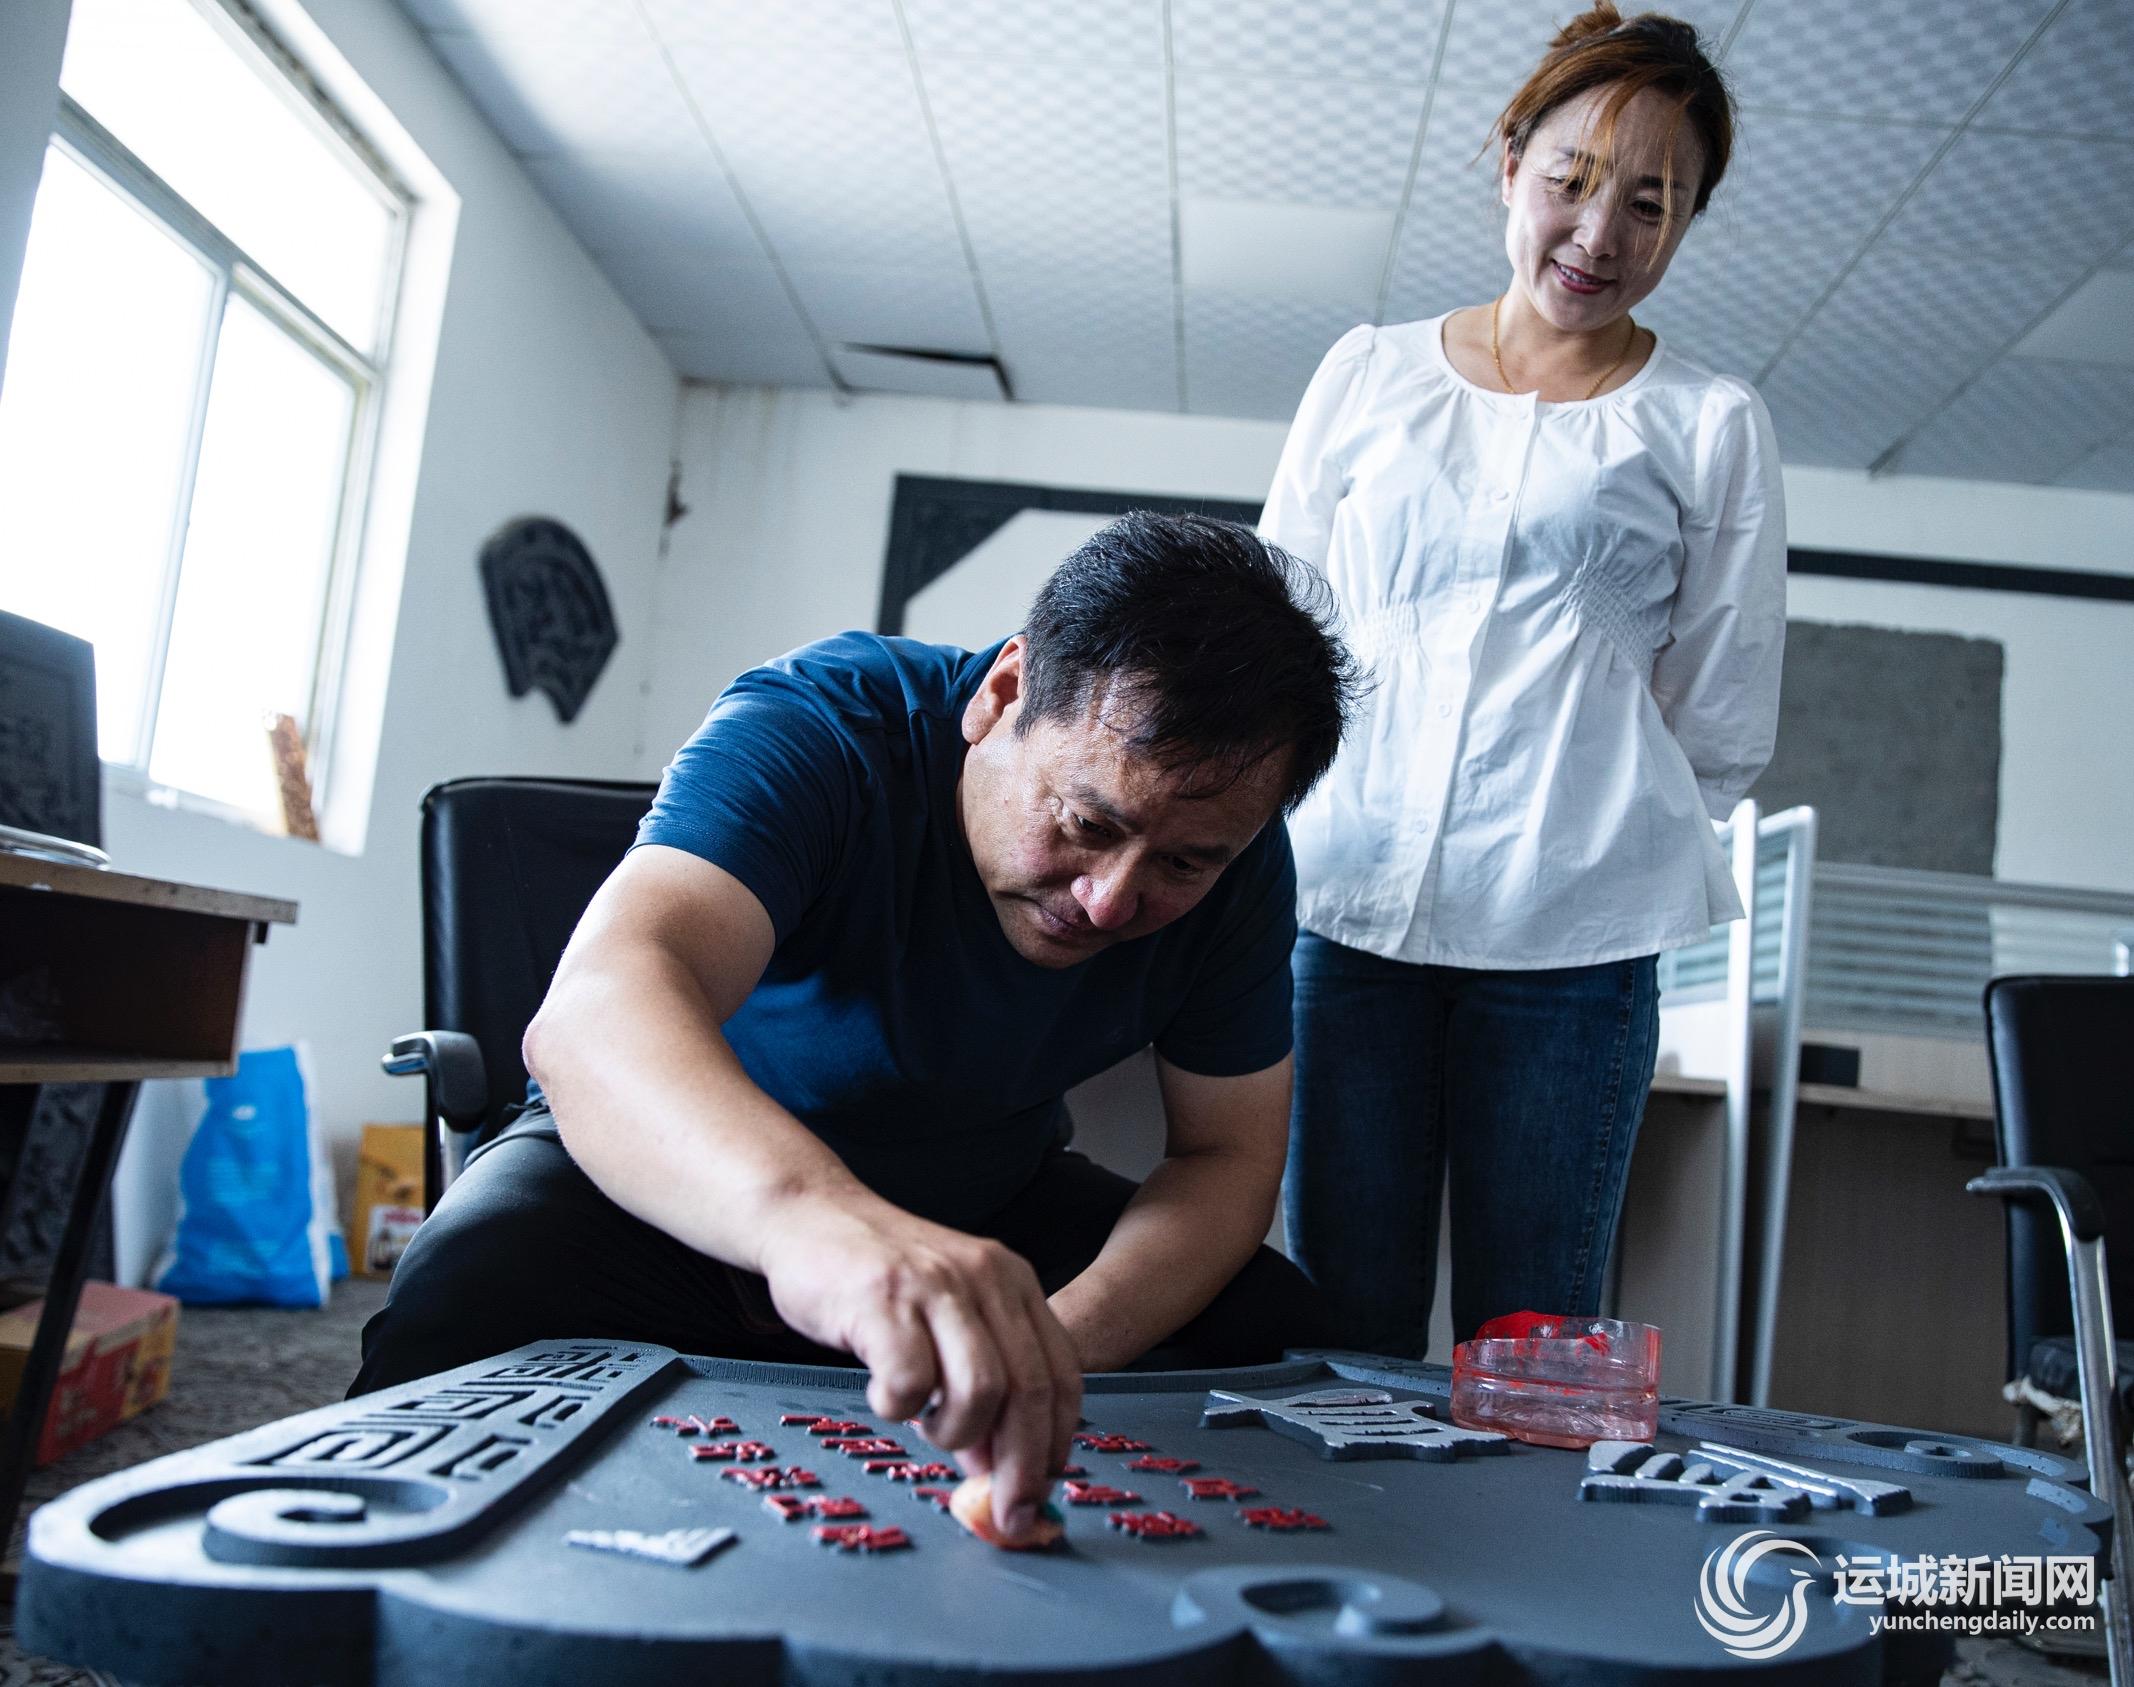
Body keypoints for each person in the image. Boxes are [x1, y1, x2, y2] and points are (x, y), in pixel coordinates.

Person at [354, 511, 1359, 1545]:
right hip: (668, 1186)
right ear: (1003, 693)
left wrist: (1050, 1346)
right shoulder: (822, 724)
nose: (1110, 900)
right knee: (470, 1285)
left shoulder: (1236, 870)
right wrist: (817, 1227)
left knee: (1276, 1325)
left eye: (1181, 864)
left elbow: (1223, 1157)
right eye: (1087, 823)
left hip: (981, 1201)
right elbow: (595, 1010)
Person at [1260, 4, 1785, 1359]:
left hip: (1572, 947)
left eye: (1651, 204)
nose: (1599, 234)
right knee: (1340, 1324)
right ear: (1509, 166)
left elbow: (1717, 717)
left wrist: (1581, 826)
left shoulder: (1708, 424)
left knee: (1534, 1342)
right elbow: (1278, 635)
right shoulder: (1366, 374)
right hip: (1346, 913)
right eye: (1571, 180)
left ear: (1686, 222)